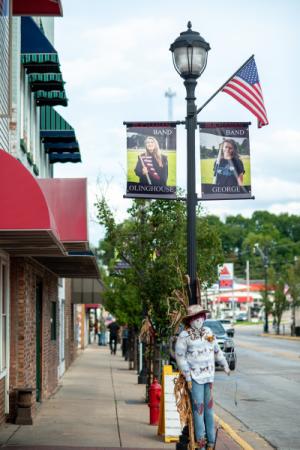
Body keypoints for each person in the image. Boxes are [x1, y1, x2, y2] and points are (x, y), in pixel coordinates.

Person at [175, 305, 230, 450]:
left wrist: (224, 364)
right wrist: (187, 376)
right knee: (198, 410)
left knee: (209, 410)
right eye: (195, 317)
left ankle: (211, 441)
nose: (199, 320)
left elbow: (216, 350)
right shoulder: (184, 336)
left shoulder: (208, 332)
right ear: (190, 320)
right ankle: (201, 443)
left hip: (209, 377)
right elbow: (180, 357)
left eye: (201, 317)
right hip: (195, 378)